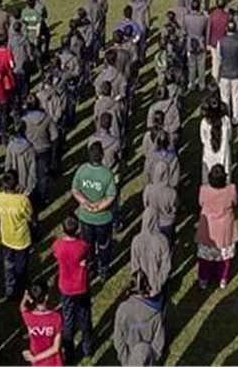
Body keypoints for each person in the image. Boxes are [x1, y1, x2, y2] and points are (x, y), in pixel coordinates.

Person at [71, 142, 116, 282]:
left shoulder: (82, 170)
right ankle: (103, 269)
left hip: (85, 217)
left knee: (87, 245)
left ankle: (90, 268)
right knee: (103, 245)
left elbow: (75, 190)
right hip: (103, 218)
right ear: (102, 155)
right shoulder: (107, 174)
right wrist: (99, 207)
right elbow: (111, 196)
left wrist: (85, 203)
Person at [53, 215, 92, 363]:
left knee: (68, 320)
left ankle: (69, 355)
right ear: (78, 229)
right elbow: (87, 256)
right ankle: (88, 348)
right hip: (81, 286)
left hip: (66, 287)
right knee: (85, 317)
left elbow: (56, 254)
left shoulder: (58, 245)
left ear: (63, 229)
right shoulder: (82, 246)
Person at [196, 164, 238, 289]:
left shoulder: (204, 190)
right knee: (224, 258)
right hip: (225, 227)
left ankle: (203, 279)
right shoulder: (231, 189)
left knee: (205, 258)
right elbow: (235, 202)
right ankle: (222, 279)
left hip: (208, 228)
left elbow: (201, 203)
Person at [0, 171, 32, 301]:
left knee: (8, 265)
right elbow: (30, 216)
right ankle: (21, 290)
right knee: (21, 267)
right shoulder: (22, 200)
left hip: (6, 237)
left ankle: (10, 289)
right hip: (21, 239)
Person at [112, 271, 165, 366]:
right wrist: (152, 359)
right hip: (149, 359)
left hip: (130, 359)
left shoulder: (122, 310)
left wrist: (126, 361)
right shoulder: (156, 313)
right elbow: (159, 341)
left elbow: (118, 339)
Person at [131, 207, 171, 301]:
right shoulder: (162, 240)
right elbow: (166, 267)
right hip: (157, 284)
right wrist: (157, 286)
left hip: (142, 286)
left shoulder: (136, 240)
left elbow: (134, 265)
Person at [20, 280, 64, 366]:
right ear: (46, 297)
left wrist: (25, 298)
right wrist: (35, 358)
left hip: (37, 362)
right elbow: (56, 348)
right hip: (54, 362)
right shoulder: (56, 317)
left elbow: (22, 308)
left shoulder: (28, 317)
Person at [217, 20, 238, 125]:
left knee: (225, 97)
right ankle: (236, 117)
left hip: (224, 73)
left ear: (226, 29)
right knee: (236, 97)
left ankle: (226, 116)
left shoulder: (221, 42)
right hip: (236, 73)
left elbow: (219, 57)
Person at [199, 103, 232, 184]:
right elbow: (229, 136)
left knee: (207, 172)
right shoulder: (226, 120)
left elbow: (203, 139)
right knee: (224, 170)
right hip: (224, 151)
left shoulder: (204, 122)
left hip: (208, 152)